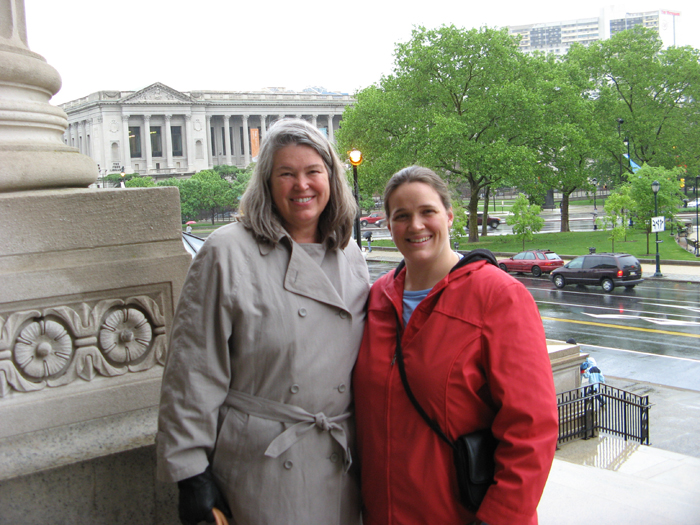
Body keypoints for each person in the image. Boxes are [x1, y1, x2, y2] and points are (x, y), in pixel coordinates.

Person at [157, 119, 370, 525]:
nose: (301, 185)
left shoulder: (350, 254)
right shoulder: (226, 251)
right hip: (263, 467)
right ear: (267, 184)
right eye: (286, 174)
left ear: (331, 177)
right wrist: (190, 475)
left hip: (340, 468)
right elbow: (192, 371)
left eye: (313, 172)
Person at [353, 166, 559, 525]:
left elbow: (532, 429)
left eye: (427, 212)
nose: (415, 225)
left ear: (449, 216)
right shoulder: (376, 299)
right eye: (401, 216)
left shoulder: (499, 296)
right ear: (388, 226)